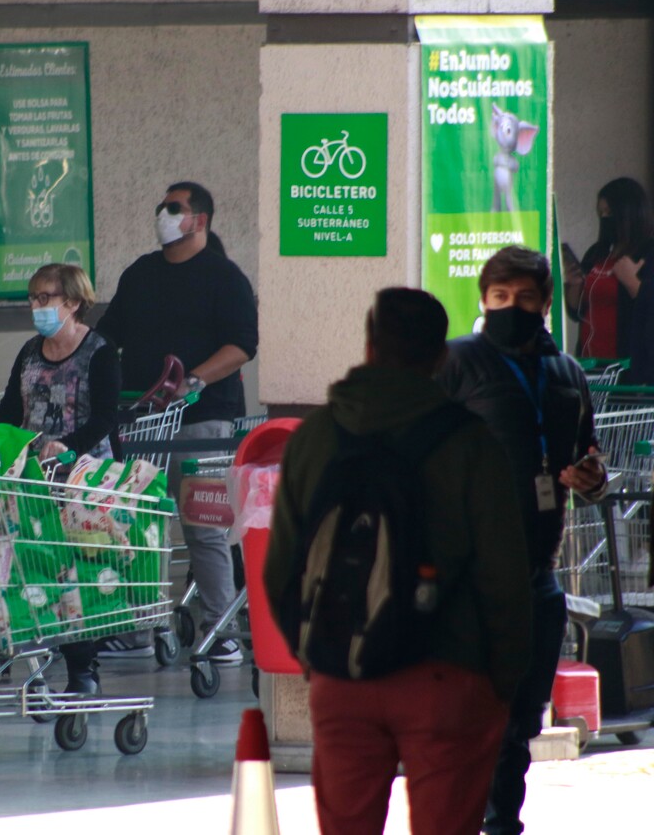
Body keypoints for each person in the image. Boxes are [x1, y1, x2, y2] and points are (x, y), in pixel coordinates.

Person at [265, 287, 532, 835]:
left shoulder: (315, 436)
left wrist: (320, 659)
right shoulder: (471, 445)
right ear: (441, 357)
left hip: (344, 673)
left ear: (368, 344)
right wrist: (502, 682)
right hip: (447, 674)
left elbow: (280, 570)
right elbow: (505, 579)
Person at [437, 246, 609, 835]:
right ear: (483, 300)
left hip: (539, 577)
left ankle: (502, 820)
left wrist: (589, 479)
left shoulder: (567, 375)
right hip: (468, 577)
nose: (511, 307)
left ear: (544, 303)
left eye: (525, 297)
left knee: (519, 722)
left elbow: (591, 466)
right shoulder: (454, 363)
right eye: (499, 297)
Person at [96, 181, 259, 663]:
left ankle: (221, 630)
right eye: (162, 207)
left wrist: (193, 380)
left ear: (199, 220)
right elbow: (108, 338)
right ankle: (139, 627)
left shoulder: (224, 277)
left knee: (201, 525)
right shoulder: (140, 274)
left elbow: (242, 346)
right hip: (143, 420)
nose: (163, 215)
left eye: (174, 208)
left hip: (202, 419)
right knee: (138, 524)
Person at [0, 263, 121, 695]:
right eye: (33, 298)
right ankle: (43, 660)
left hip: (84, 479)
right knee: (37, 570)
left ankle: (82, 668)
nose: (37, 306)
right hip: (33, 479)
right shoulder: (29, 351)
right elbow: (10, 411)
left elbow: (105, 417)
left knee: (73, 574)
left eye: (45, 297)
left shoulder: (99, 351)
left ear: (73, 301)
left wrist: (68, 444)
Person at [563, 177, 654, 380]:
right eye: (601, 213)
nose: (605, 219)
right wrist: (575, 285)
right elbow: (578, 311)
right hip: (590, 366)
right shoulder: (596, 253)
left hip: (626, 369)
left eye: (610, 213)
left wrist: (632, 282)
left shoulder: (647, 253)